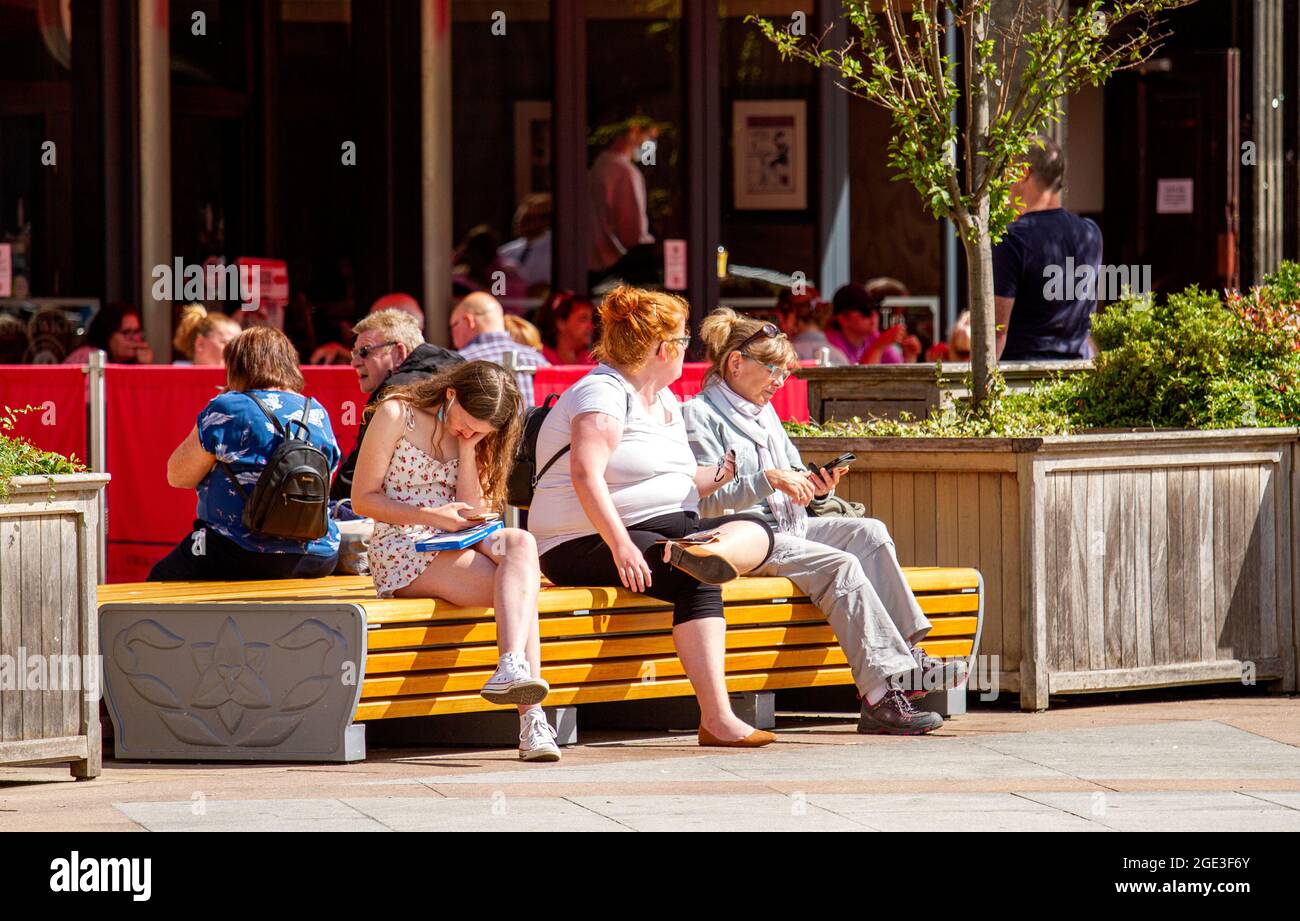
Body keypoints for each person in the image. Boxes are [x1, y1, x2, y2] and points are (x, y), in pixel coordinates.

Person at [683, 308, 967, 734]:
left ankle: (910, 657)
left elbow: (794, 473)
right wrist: (768, 480)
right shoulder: (699, 415)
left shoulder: (763, 413)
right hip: (744, 537)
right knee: (841, 565)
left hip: (789, 525)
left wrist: (819, 487)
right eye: (772, 368)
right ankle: (879, 697)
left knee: (870, 532)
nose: (780, 380)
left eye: (785, 370)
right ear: (735, 363)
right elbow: (705, 502)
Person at [529, 286, 778, 748]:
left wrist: (719, 474)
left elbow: (675, 482)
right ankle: (718, 719)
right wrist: (621, 543)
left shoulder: (663, 401)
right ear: (665, 349)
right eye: (685, 341)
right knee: (695, 579)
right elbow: (586, 475)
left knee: (759, 528)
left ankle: (704, 552)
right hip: (581, 539)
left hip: (666, 527)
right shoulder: (602, 392)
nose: (688, 351)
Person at [351, 360, 559, 762]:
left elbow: (473, 507)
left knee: (520, 543)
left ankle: (511, 666)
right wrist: (432, 516)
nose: (471, 432)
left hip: (456, 537)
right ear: (451, 394)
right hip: (404, 544)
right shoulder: (398, 413)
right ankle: (532, 720)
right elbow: (363, 499)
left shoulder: (473, 436)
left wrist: (466, 447)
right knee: (520, 593)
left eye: (482, 431)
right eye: (468, 423)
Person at [150, 327, 342, 580]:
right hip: (316, 554)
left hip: (239, 551)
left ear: (238, 365)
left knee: (160, 579)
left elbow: (178, 476)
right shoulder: (316, 411)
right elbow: (326, 479)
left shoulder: (229, 407)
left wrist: (212, 413)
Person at [331, 305, 463, 502]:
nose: (355, 362)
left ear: (399, 353)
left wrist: (329, 506)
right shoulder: (463, 373)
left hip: (407, 519)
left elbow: (356, 475)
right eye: (354, 353)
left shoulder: (392, 393)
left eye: (365, 351)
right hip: (467, 510)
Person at [993, 134, 1104, 361]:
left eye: (1007, 173)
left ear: (1023, 173)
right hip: (1077, 375)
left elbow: (996, 332)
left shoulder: (1012, 239)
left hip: (1023, 379)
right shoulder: (1091, 233)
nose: (1004, 182)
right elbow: (1086, 320)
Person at [588, 117, 657, 286]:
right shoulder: (625, 172)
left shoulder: (599, 164)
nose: (651, 145)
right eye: (650, 137)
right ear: (634, 131)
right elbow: (633, 233)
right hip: (612, 267)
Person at [451, 291, 549, 407]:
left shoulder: (460, 363)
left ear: (468, 321)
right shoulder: (539, 360)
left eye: (453, 325)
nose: (452, 334)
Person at [826, 281, 921, 365]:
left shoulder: (872, 337)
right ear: (843, 319)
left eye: (876, 308)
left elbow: (899, 375)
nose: (874, 315)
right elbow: (859, 381)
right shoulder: (830, 344)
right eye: (865, 311)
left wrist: (909, 357)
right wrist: (878, 346)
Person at [774, 286, 848, 366]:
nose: (780, 325)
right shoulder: (839, 356)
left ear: (792, 315)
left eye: (779, 319)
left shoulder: (783, 356)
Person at [64, 301, 154, 365]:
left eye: (137, 332)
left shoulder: (133, 362)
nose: (134, 338)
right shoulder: (87, 357)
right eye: (126, 333)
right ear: (108, 335)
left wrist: (145, 369)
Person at [497, 193, 553, 291]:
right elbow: (497, 289)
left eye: (528, 219)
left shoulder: (555, 249)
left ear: (545, 220)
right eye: (518, 218)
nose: (520, 222)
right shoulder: (505, 252)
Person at [534, 290, 595, 365]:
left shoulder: (591, 361)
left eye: (591, 319)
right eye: (583, 319)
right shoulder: (539, 359)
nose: (591, 326)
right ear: (561, 323)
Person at [172, 304, 240, 365]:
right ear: (200, 344)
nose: (236, 352)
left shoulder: (240, 378)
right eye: (227, 343)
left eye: (238, 346)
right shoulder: (174, 377)